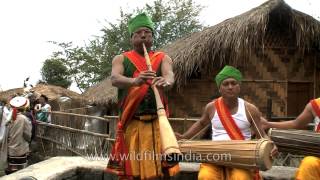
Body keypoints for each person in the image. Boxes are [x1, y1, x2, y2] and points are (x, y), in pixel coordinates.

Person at [106, 13, 177, 179]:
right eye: (138, 33)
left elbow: (170, 75)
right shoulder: (121, 58)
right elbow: (115, 78)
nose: (143, 35)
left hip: (157, 123)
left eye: (147, 32)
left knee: (160, 168)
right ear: (131, 38)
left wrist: (166, 81)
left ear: (152, 36)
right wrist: (135, 81)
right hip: (133, 123)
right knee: (134, 168)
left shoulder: (163, 58)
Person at [175, 65, 277, 180]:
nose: (230, 87)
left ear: (239, 87)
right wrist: (184, 137)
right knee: (205, 176)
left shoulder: (250, 109)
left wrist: (270, 145)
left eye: (234, 83)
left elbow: (261, 135)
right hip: (216, 156)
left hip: (241, 158)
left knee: (241, 178)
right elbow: (201, 123)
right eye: (226, 84)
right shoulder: (211, 107)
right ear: (220, 88)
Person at [262, 98, 320, 180]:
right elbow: (295, 124)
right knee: (309, 163)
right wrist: (268, 124)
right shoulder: (317, 104)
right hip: (318, 157)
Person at [5, 96, 32, 174]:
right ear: (24, 108)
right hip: (20, 148)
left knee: (11, 166)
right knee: (20, 169)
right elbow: (27, 135)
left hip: (9, 147)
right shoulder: (24, 118)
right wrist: (29, 140)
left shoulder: (9, 118)